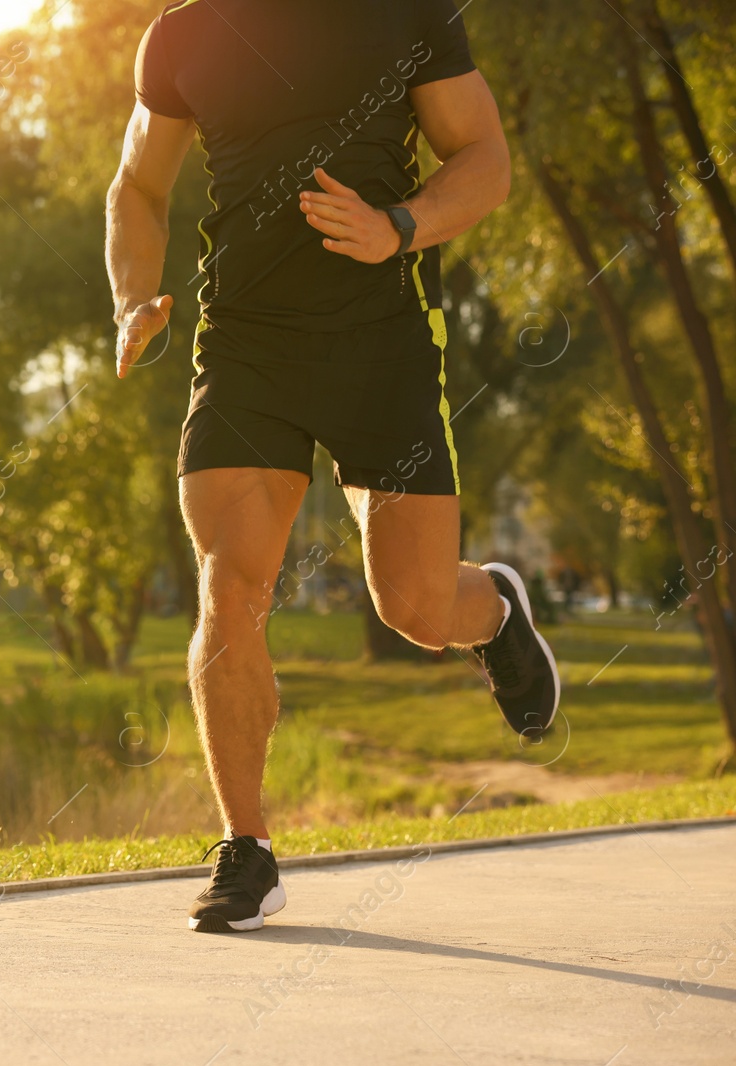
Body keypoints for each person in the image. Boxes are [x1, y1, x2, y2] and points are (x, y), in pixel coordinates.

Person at [104, 0, 560, 933]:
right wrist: (129, 299)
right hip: (246, 350)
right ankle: (248, 850)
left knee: (414, 606)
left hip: (382, 342)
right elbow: (137, 185)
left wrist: (401, 222)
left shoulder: (405, 14)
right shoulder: (182, 33)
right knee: (230, 588)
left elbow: (485, 159)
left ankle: (495, 610)